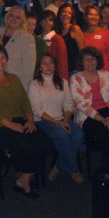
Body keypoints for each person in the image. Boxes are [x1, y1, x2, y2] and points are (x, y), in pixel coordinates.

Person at [0, 45, 52, 198]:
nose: (0, 61)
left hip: (19, 120)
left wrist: (30, 120)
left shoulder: (14, 78)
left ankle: (24, 178)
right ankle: (25, 178)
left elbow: (24, 101)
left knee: (44, 141)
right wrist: (12, 125)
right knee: (24, 144)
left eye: (3, 57)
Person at [28, 53, 85, 184]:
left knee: (78, 134)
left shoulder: (63, 82)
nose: (48, 66)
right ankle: (73, 169)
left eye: (51, 63)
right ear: (39, 67)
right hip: (42, 121)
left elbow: (68, 103)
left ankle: (58, 165)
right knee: (62, 135)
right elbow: (37, 110)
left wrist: (65, 120)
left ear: (55, 66)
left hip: (61, 119)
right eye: (44, 63)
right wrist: (57, 123)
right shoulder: (34, 84)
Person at [70, 47, 109, 164]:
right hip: (87, 115)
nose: (90, 62)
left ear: (98, 61)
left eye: (93, 59)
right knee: (105, 132)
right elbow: (81, 104)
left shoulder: (106, 75)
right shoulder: (75, 78)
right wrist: (103, 120)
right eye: (86, 59)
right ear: (81, 62)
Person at [0, 6, 36, 91]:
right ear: (7, 17)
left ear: (22, 21)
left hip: (14, 85)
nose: (13, 19)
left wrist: (22, 90)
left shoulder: (27, 38)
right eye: (11, 15)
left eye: (18, 17)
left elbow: (28, 70)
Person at [83, 5, 109, 72]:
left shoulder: (107, 33)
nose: (94, 17)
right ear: (86, 17)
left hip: (104, 73)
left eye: (96, 15)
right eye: (91, 14)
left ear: (99, 18)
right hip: (86, 74)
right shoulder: (82, 34)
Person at [54, 3, 84, 76]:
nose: (66, 14)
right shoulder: (57, 31)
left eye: (69, 13)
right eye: (64, 12)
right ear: (59, 14)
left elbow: (83, 51)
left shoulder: (75, 29)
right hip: (61, 70)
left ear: (72, 16)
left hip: (74, 71)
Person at [39, 10, 69, 80]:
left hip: (54, 79)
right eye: (44, 20)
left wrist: (62, 81)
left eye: (50, 20)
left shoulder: (58, 39)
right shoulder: (37, 39)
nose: (47, 22)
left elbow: (62, 64)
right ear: (40, 22)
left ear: (53, 23)